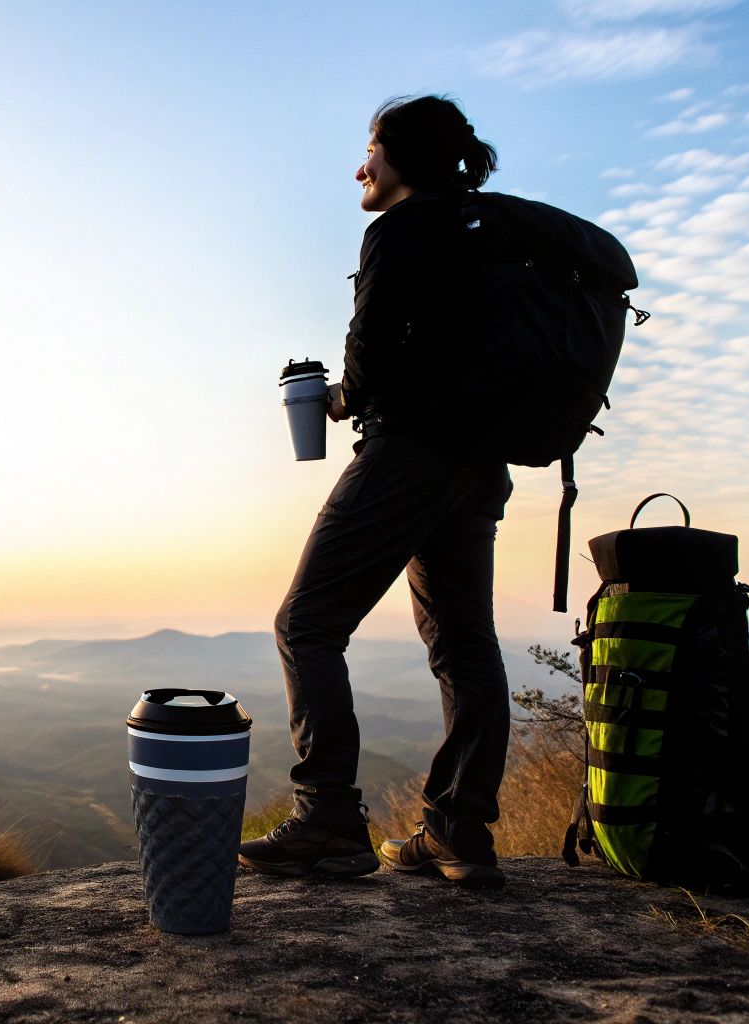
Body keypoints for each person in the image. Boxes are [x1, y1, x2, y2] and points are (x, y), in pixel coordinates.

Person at [238, 95, 512, 890]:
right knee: (464, 645)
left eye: (371, 150)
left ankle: (328, 820)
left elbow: (373, 364)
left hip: (408, 456)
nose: (361, 167)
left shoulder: (399, 231)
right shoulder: (479, 235)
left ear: (400, 159)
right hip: (474, 466)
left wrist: (334, 398)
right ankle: (460, 832)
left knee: (307, 622)